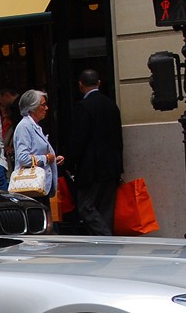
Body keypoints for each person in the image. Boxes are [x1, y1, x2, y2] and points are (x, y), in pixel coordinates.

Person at [66, 69, 123, 235]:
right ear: (99, 83)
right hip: (112, 165)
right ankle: (105, 245)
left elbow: (79, 139)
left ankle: (107, 239)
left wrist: (70, 162)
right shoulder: (112, 105)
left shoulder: (84, 107)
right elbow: (118, 138)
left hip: (92, 168)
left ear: (80, 85)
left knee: (86, 207)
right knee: (106, 209)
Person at [11, 89, 63, 212]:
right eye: (43, 105)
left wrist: (54, 159)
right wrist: (46, 159)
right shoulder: (24, 126)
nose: (47, 108)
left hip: (40, 187)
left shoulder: (35, 126)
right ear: (32, 107)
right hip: (31, 188)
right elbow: (23, 158)